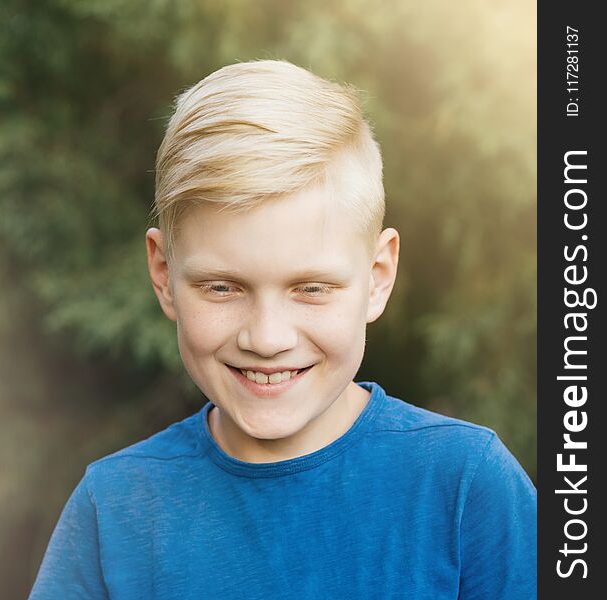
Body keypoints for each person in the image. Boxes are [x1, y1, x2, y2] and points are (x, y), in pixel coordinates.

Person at [29, 59, 536, 599]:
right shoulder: (114, 509)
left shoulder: (466, 489)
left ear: (378, 277)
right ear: (163, 275)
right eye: (223, 287)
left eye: (311, 288)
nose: (267, 338)